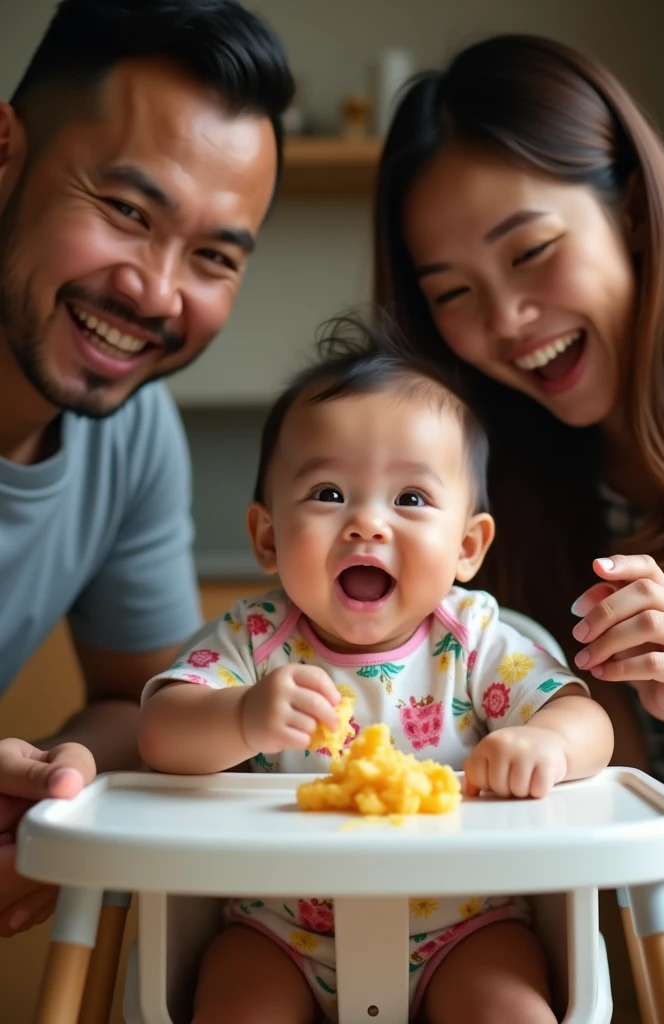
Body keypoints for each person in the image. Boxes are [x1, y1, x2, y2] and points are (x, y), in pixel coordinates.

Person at [137, 320, 614, 1024]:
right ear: (267, 536)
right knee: (236, 1003)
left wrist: (549, 744)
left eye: (411, 500)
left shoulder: (474, 641)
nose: (366, 524)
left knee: (512, 1008)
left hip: (466, 924)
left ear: (468, 546)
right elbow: (160, 732)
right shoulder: (254, 642)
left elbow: (584, 717)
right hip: (278, 929)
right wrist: (239, 716)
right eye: (328, 494)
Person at [373, 31, 664, 943]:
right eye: (453, 293)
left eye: (531, 251)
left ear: (629, 209)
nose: (507, 322)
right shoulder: (488, 493)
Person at [0, 0, 293, 939]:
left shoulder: (132, 435)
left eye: (212, 256)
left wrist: (55, 786)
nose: (157, 293)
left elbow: (136, 700)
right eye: (127, 212)